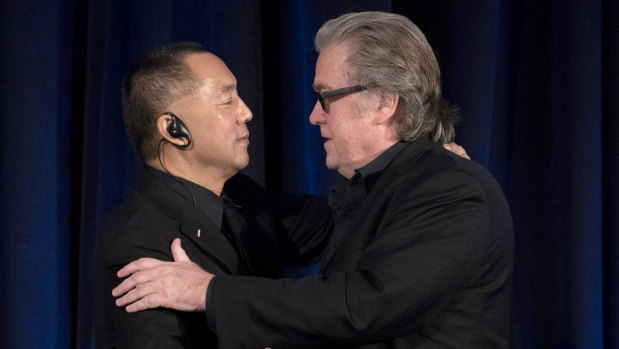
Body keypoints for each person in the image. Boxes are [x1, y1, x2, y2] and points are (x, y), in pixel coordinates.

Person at [113, 11, 508, 348]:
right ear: (173, 128)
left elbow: (362, 305)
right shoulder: (389, 189)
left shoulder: (450, 189)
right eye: (227, 100)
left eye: (326, 98)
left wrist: (206, 291)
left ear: (385, 102)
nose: (314, 116)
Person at [93, 42, 332, 348]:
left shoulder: (243, 196)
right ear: (174, 129)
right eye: (226, 101)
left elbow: (340, 219)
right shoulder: (138, 244)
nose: (246, 112)